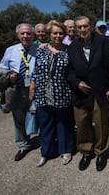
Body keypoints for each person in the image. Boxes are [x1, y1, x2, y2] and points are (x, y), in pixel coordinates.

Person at [67, 16, 109, 172]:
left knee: (102, 124)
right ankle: (86, 151)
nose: (82, 30)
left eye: (85, 26)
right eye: (79, 27)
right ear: (76, 29)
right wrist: (77, 83)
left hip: (100, 91)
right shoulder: (72, 47)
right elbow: (69, 71)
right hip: (81, 93)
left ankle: (101, 152)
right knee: (82, 124)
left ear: (91, 27)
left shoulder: (103, 42)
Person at [29, 20, 76, 167]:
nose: (58, 35)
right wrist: (32, 86)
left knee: (63, 124)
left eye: (61, 33)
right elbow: (36, 70)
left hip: (62, 93)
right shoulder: (42, 49)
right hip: (43, 93)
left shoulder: (69, 50)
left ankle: (66, 150)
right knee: (45, 124)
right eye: (55, 33)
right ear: (49, 34)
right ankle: (46, 152)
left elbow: (72, 72)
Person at [0, 23, 38, 161]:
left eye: (28, 33)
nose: (25, 36)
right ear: (18, 35)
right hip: (18, 90)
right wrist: (8, 76)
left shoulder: (39, 49)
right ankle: (23, 145)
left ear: (33, 35)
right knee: (19, 119)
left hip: (36, 89)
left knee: (39, 116)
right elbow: (2, 68)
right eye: (23, 33)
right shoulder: (11, 50)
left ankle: (45, 142)